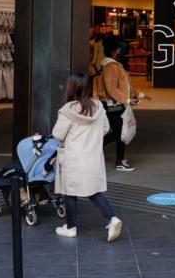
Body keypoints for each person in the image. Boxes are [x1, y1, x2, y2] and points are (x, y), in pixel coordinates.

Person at [53, 74, 123, 241]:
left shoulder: (67, 111)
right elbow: (105, 128)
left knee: (70, 192)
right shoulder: (98, 107)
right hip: (93, 157)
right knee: (93, 192)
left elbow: (57, 134)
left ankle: (70, 227)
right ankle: (112, 218)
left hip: (73, 158)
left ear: (71, 88)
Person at [95, 36, 147, 172]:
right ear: (116, 50)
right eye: (119, 47)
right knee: (121, 133)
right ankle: (119, 161)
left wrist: (140, 95)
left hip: (115, 104)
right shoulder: (111, 67)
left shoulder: (112, 66)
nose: (121, 49)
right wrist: (127, 100)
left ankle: (95, 149)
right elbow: (112, 88)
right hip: (113, 105)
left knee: (119, 133)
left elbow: (124, 86)